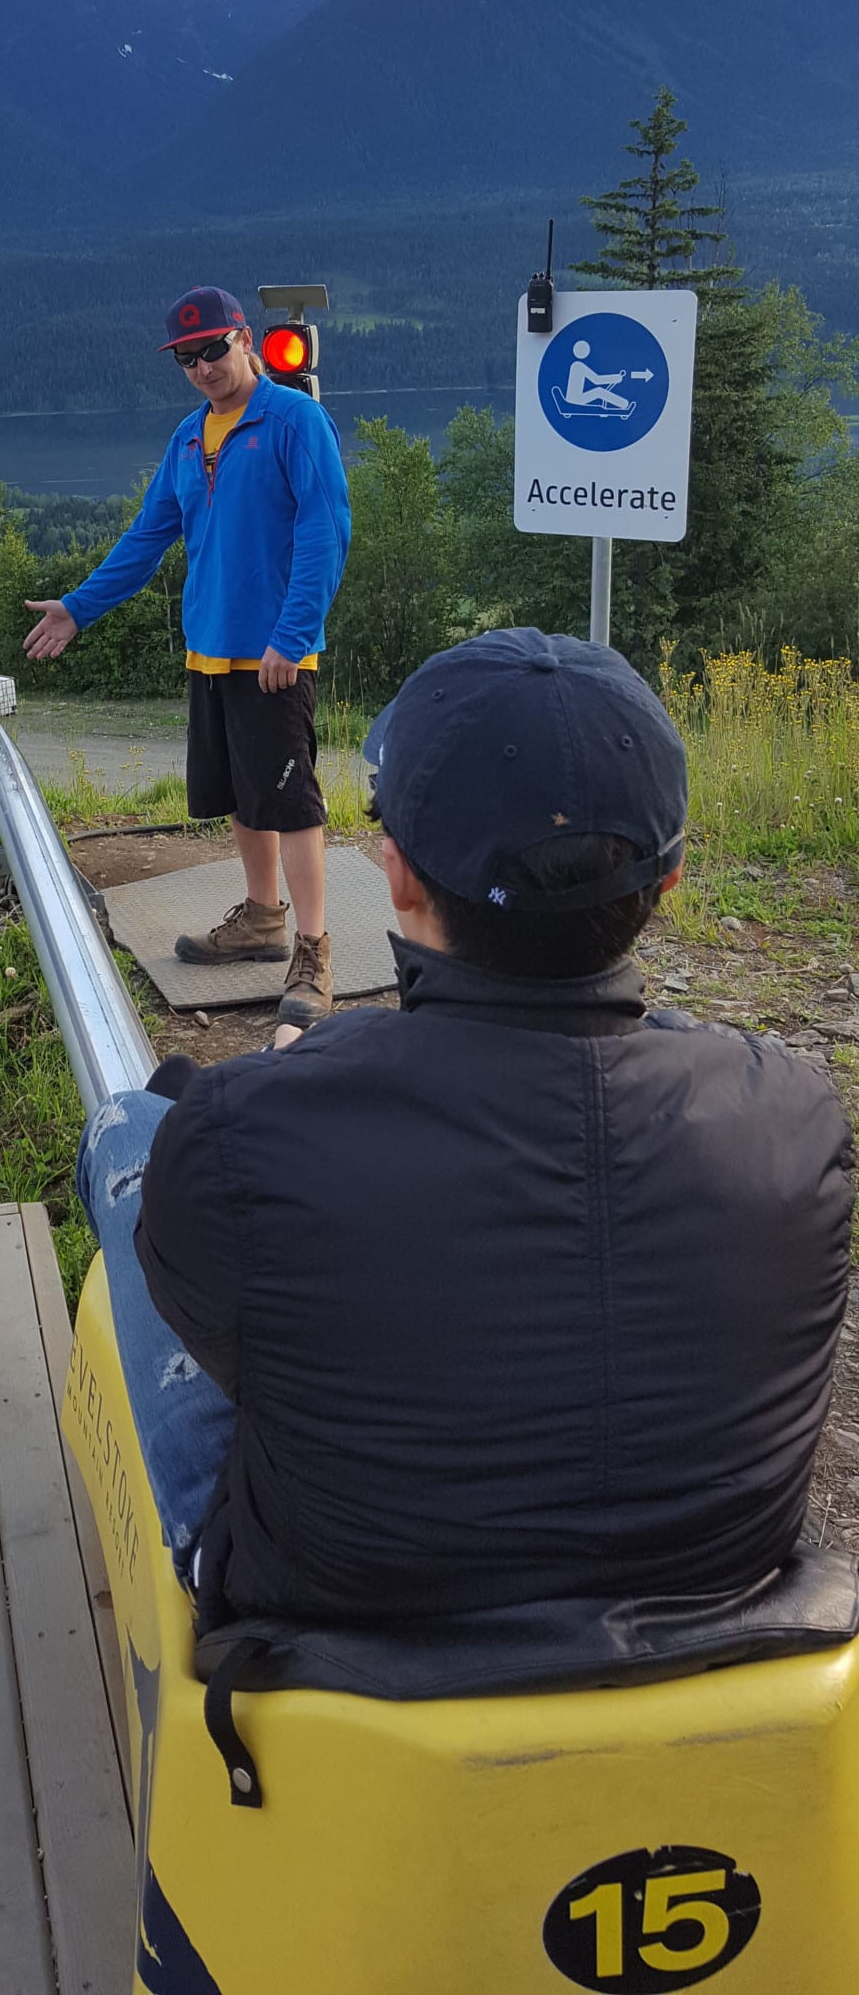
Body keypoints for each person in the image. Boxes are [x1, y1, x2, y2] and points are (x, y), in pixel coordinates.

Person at [77, 628, 854, 1633]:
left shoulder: (240, 1140)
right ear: (669, 881)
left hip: (337, 1626)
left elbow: (225, 1329)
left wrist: (278, 1113)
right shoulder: (795, 1117)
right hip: (710, 1608)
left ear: (395, 877)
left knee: (132, 1129)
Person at [24, 287, 351, 1031]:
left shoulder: (295, 420)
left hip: (274, 652)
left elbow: (325, 530)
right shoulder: (187, 439)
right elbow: (147, 539)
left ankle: (313, 950)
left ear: (245, 341)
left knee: (291, 800)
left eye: (213, 349)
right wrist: (78, 607)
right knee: (242, 793)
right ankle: (264, 919)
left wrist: (292, 638)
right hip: (211, 648)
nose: (202, 367)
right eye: (186, 357)